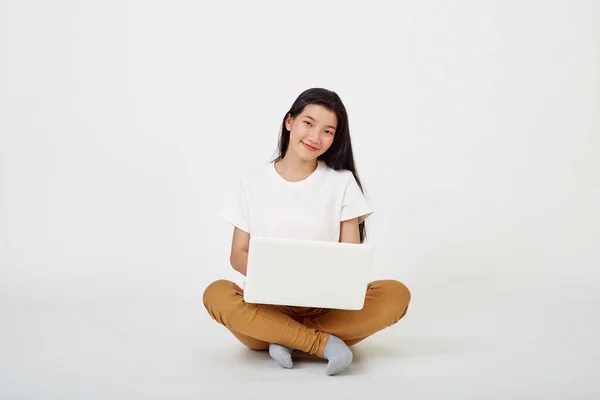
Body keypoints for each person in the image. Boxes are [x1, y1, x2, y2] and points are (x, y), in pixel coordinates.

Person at [203, 88, 411, 375]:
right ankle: (322, 344)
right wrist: (283, 275)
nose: (315, 137)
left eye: (328, 131)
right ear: (290, 121)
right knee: (217, 293)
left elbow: (349, 259)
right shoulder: (252, 182)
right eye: (308, 123)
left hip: (325, 307)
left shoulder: (341, 182)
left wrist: (318, 280)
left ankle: (284, 338)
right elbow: (238, 255)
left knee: (396, 294)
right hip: (268, 306)